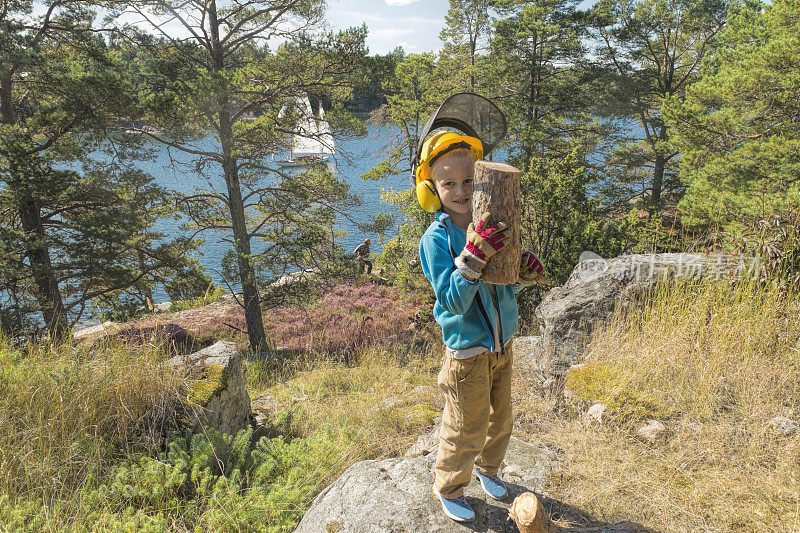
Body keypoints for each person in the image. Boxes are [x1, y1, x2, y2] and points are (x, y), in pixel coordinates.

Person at [415, 132, 545, 523]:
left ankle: (488, 470)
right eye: (448, 182)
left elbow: (501, 282)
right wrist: (471, 258)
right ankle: (449, 486)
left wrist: (522, 273)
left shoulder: (490, 222)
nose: (460, 190)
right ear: (430, 189)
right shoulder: (436, 241)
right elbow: (452, 303)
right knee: (465, 424)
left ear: (482, 180)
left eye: (468, 180)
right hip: (467, 352)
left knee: (500, 418)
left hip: (502, 344)